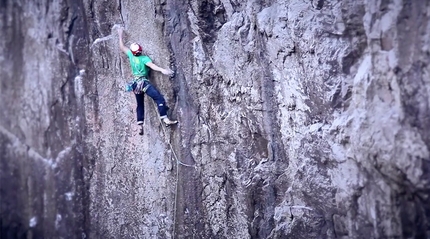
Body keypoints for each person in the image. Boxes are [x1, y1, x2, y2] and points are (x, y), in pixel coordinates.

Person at [118, 28, 178, 135]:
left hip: (135, 85)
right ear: (140, 50)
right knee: (158, 98)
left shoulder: (131, 56)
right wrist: (163, 70)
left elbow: (122, 47)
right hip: (143, 83)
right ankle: (165, 118)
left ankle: (140, 125)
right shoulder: (144, 58)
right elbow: (152, 66)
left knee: (140, 104)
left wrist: (120, 34)